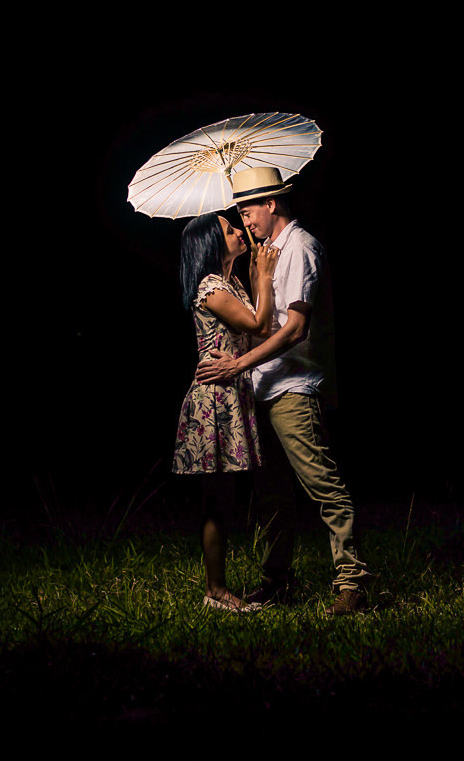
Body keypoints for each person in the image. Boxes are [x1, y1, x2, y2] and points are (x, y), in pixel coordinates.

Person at [196, 166, 369, 615]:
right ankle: (276, 581)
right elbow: (260, 322)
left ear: (272, 203)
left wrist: (237, 364)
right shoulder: (267, 253)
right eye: (239, 213)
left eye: (248, 210)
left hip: (292, 386)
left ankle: (352, 583)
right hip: (262, 389)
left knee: (322, 485)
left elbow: (293, 330)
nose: (244, 221)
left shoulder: (302, 247)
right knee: (272, 496)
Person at [173, 211, 279, 612]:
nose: (239, 231)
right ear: (212, 246)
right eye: (230, 230)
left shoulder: (228, 282)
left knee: (226, 497)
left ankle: (217, 587)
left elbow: (254, 321)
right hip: (213, 401)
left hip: (230, 395)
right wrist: (266, 277)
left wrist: (254, 276)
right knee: (217, 498)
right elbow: (260, 326)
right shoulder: (210, 287)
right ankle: (215, 592)